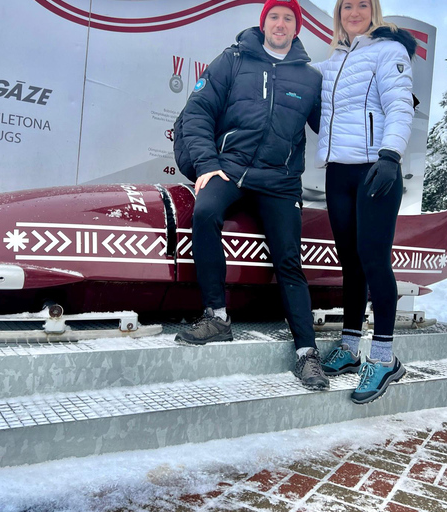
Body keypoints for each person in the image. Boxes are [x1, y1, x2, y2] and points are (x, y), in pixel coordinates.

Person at [174, 0, 328, 391]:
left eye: (288, 18)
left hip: (278, 181)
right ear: (263, 24)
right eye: (274, 16)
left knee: (289, 260)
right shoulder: (232, 60)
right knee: (205, 213)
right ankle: (218, 317)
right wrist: (207, 165)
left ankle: (306, 354)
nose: (280, 24)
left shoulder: (310, 78)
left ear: (297, 28)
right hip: (231, 168)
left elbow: (333, 128)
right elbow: (196, 114)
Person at [314, 0, 416, 403]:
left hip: (377, 169)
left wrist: (391, 156)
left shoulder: (389, 50)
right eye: (346, 6)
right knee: (351, 262)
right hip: (339, 171)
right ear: (339, 13)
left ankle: (384, 357)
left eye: (361, 5)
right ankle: (351, 347)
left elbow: (399, 106)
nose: (352, 12)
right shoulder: (336, 59)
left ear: (372, 10)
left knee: (374, 261)